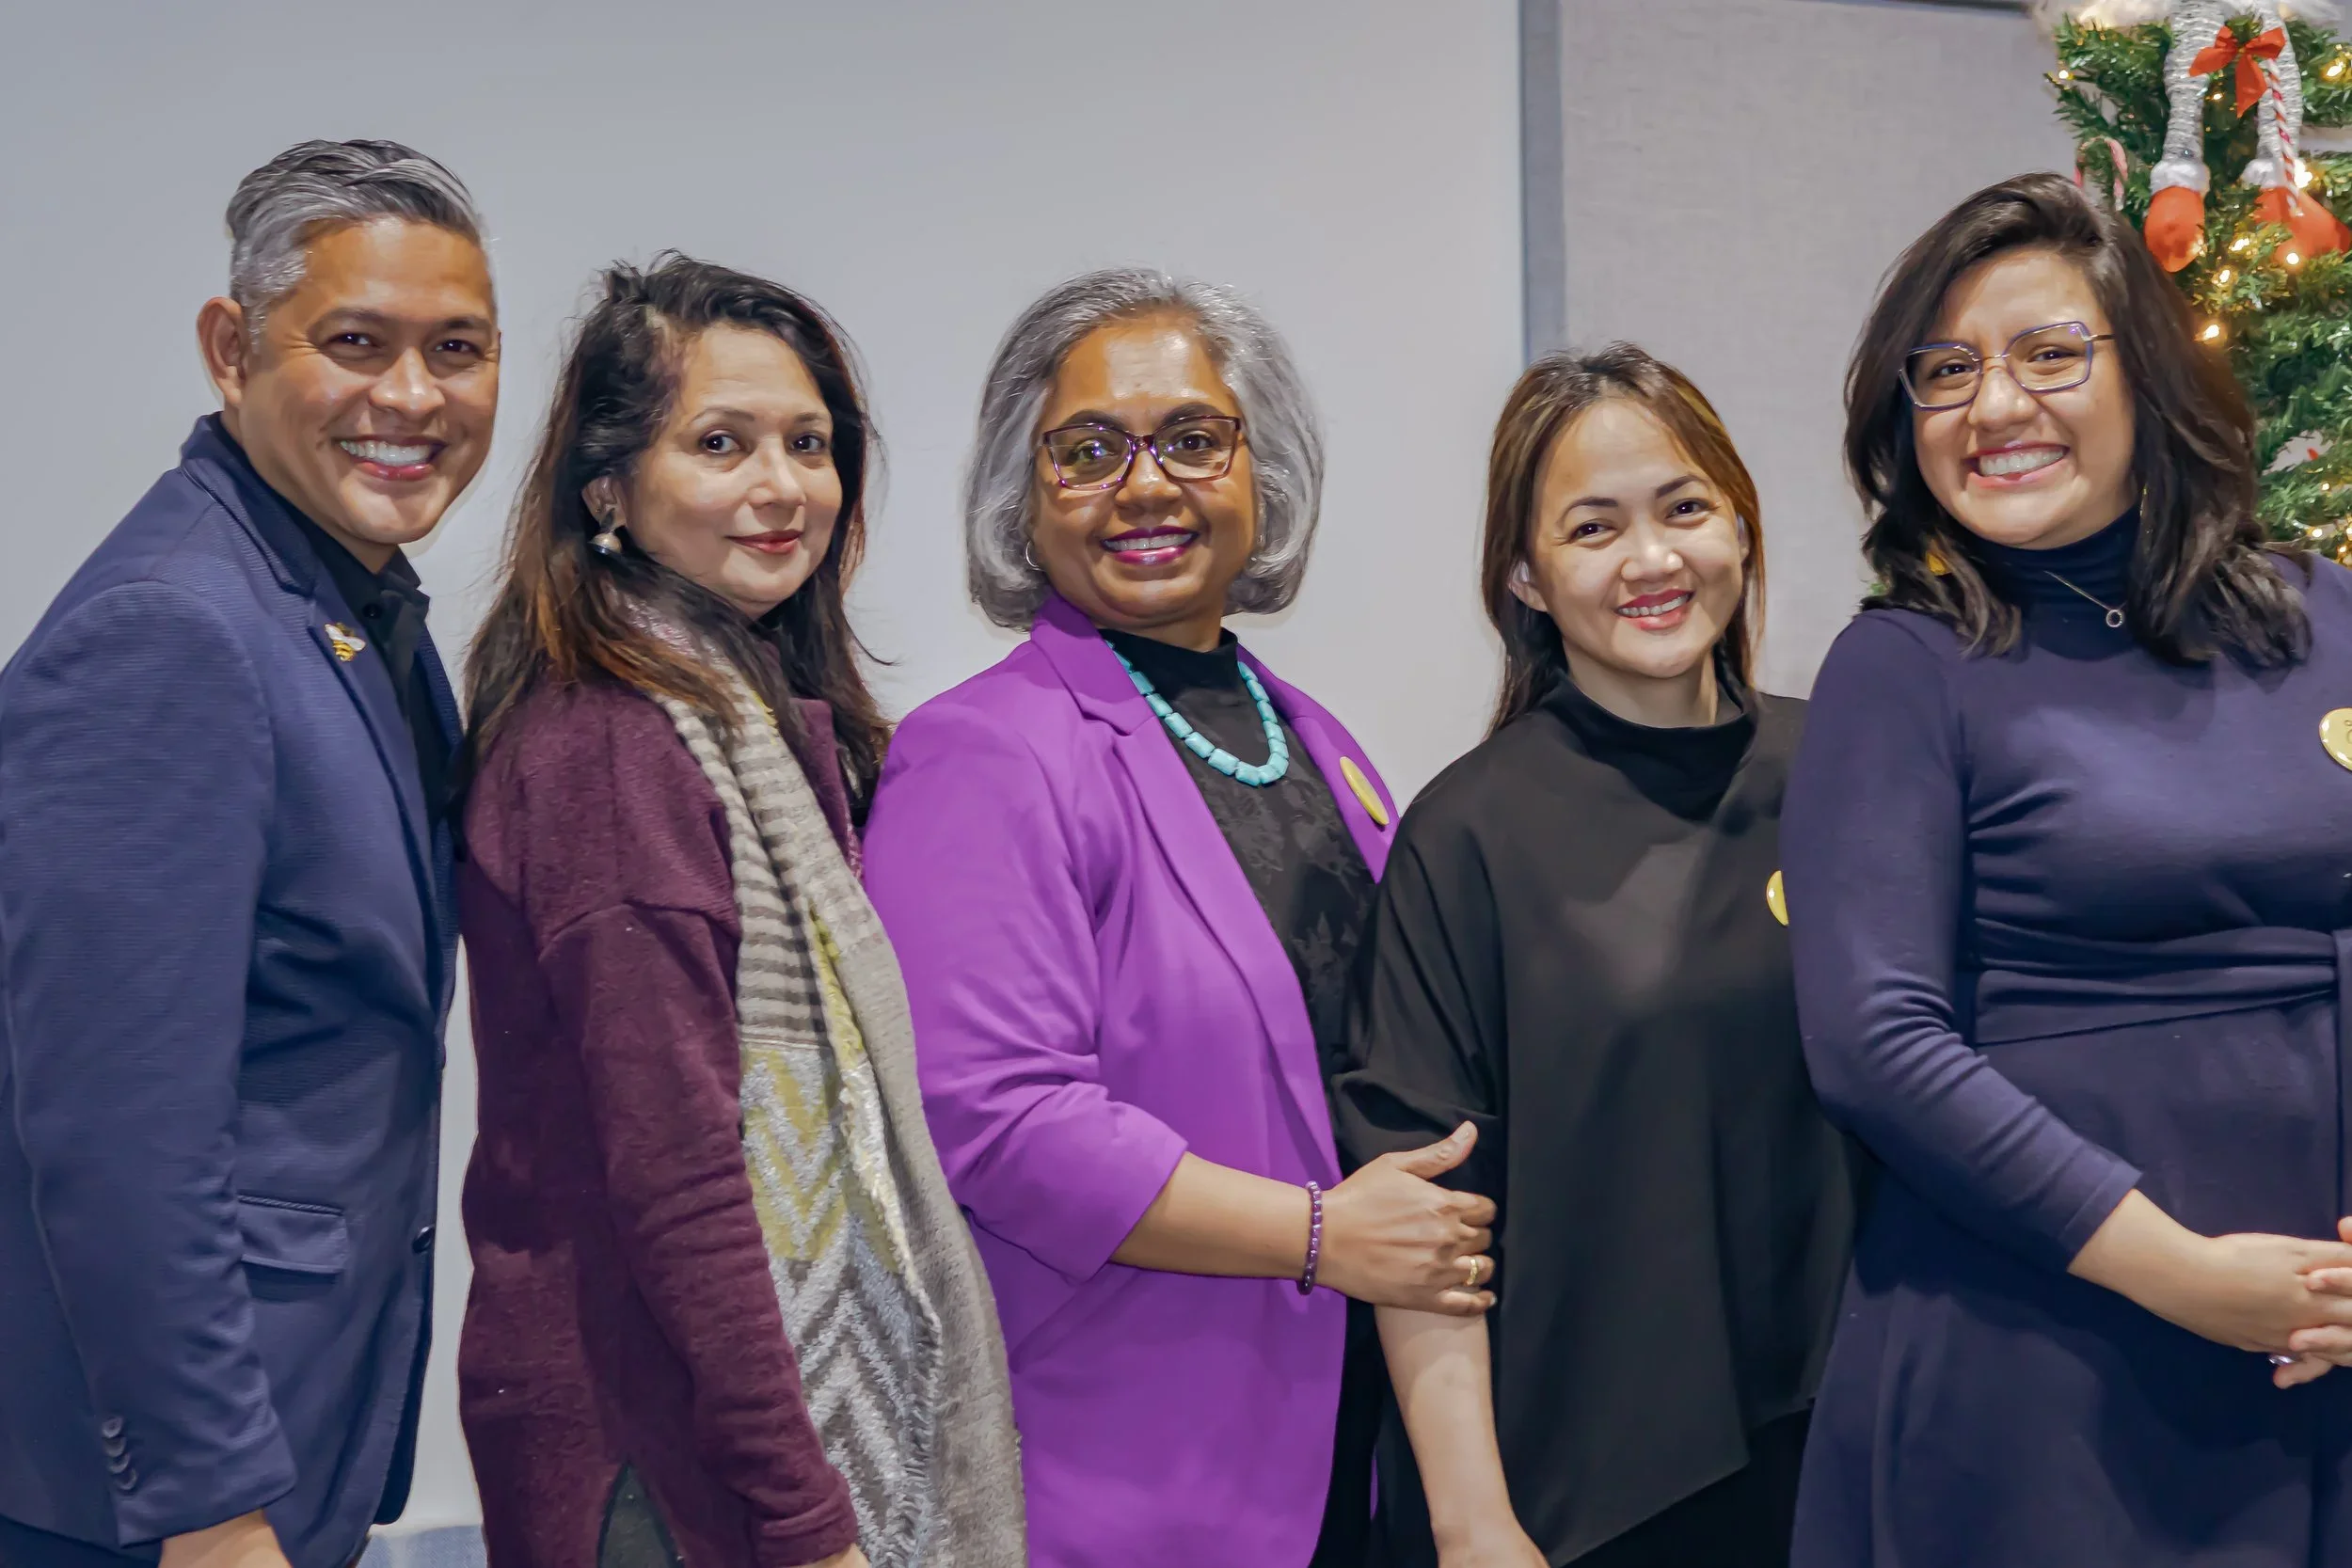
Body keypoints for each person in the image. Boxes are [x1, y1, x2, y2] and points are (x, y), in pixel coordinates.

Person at [861, 268, 1494, 1568]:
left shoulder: (1314, 737)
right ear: (1020, 497)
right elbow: (999, 1117)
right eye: (1088, 449)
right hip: (1133, 1468)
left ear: (1263, 471)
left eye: (1194, 439)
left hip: (1347, 1448)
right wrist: (1322, 1238)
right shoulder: (981, 752)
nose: (1146, 485)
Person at [1784, 171, 2352, 1567]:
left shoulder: (2324, 612)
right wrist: (2188, 1275)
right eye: (1949, 369)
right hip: (2042, 1360)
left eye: (2050, 354)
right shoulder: (1904, 667)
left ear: (2149, 377)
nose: (1995, 406)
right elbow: (1873, 1040)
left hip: (2319, 1352)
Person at [454, 255, 1023, 1568]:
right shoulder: (611, 743)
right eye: (722, 443)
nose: (783, 486)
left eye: (809, 444)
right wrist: (805, 1514)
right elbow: (681, 1173)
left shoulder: (744, 715)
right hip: (656, 1459)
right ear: (610, 487)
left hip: (698, 1449)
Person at [0, 140, 495, 1568]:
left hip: (300, 1437)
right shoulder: (173, 630)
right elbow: (115, 1128)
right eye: (357, 343)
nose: (413, 397)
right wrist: (209, 1505)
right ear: (232, 349)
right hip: (164, 1507)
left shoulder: (339, 604)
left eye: (456, 349)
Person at [1334, 345, 1861, 1568]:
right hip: (1583, 1498)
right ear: (1526, 573)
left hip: (1836, 1457)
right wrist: (1473, 1525)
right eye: (1593, 526)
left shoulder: (1843, 769)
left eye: (1685, 507)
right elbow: (1423, 1214)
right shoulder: (1470, 833)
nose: (1653, 560)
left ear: (1740, 522)